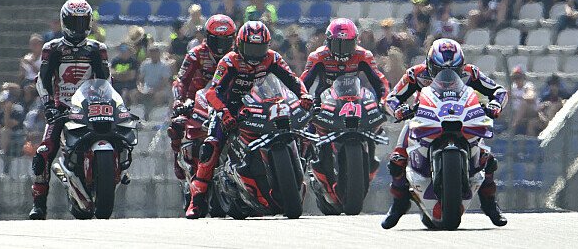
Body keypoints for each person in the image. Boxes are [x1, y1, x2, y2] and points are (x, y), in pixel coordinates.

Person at [186, 21, 312, 218]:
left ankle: (301, 169)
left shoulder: (272, 58)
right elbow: (213, 92)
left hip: (266, 104)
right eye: (250, 48)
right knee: (211, 145)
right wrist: (224, 112)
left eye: (259, 48)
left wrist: (304, 96)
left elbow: (293, 80)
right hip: (231, 110)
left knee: (300, 129)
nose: (254, 54)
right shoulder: (229, 61)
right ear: (239, 44)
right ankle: (197, 200)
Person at [381, 38, 508, 229]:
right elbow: (391, 98)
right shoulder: (416, 74)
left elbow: (499, 91)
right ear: (430, 64)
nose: (447, 75)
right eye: (440, 70)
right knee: (397, 159)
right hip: (424, 117)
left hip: (462, 116)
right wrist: (399, 110)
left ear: (461, 66)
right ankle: (399, 203)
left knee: (487, 159)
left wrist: (495, 104)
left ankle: (490, 205)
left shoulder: (470, 73)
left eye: (453, 70)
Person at [28, 0, 110, 219]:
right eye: (74, 22)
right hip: (61, 109)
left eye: (83, 22)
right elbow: (41, 80)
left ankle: (112, 174)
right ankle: (39, 205)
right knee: (44, 152)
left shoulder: (97, 49)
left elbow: (106, 81)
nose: (78, 27)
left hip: (90, 109)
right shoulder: (52, 48)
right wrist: (48, 105)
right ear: (64, 21)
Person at [301, 19, 389, 195]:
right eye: (337, 44)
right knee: (307, 133)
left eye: (347, 45)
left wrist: (384, 101)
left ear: (355, 42)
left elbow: (379, 82)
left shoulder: (363, 55)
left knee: (375, 125)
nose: (342, 51)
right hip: (324, 102)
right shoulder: (318, 56)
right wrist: (305, 100)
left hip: (353, 101)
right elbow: (303, 82)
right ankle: (301, 167)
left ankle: (369, 157)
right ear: (328, 41)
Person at [168, 14, 236, 178]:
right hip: (197, 101)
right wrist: (179, 101)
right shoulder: (195, 54)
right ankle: (177, 158)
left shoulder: (237, 56)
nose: (221, 46)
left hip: (229, 101)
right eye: (216, 40)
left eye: (225, 40)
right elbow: (181, 80)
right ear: (207, 37)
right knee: (178, 123)